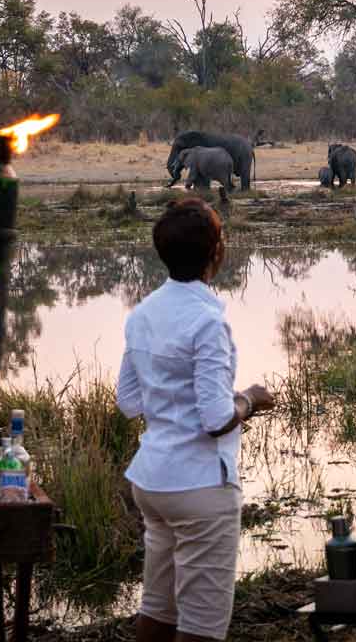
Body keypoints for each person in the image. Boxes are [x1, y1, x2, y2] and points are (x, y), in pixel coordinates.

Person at [117, 197, 275, 642]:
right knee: (202, 625)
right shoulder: (207, 321)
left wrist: (168, 408)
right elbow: (215, 418)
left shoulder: (143, 313)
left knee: (158, 607)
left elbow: (128, 399)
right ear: (216, 253)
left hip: (152, 482)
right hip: (200, 489)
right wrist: (250, 399)